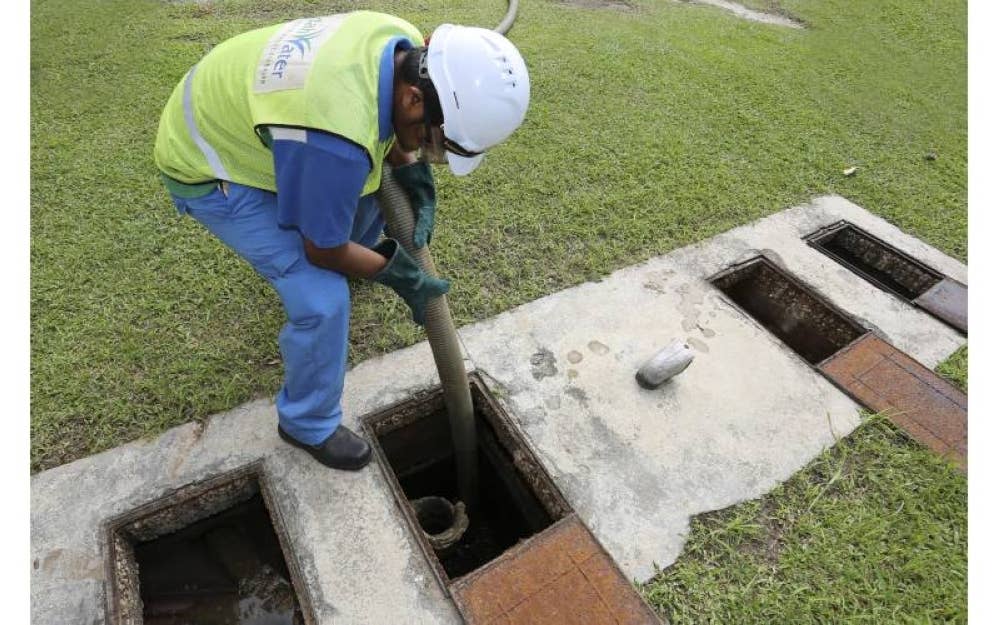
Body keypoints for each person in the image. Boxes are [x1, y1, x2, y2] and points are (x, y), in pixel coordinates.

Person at [153, 11, 530, 470]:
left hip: (249, 109)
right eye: (432, 142)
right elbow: (321, 248)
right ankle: (306, 423)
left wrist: (408, 168)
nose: (426, 152)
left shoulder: (402, 42)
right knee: (322, 297)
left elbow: (380, 133)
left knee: (369, 194)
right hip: (206, 164)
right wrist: (396, 273)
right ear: (414, 98)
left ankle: (350, 257)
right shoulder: (333, 139)